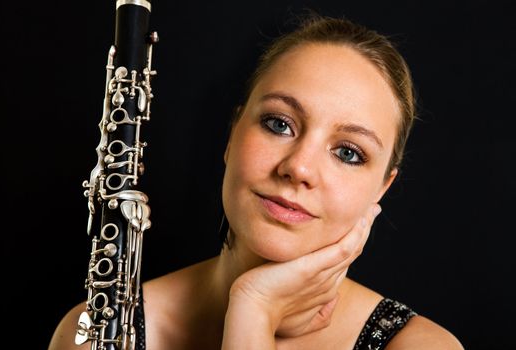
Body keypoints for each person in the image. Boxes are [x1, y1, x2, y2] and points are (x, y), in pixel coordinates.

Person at [49, 14, 464, 350]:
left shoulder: (419, 346)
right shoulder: (89, 333)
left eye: (348, 152)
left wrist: (253, 310)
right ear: (232, 136)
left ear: (382, 188)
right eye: (278, 124)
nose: (298, 167)